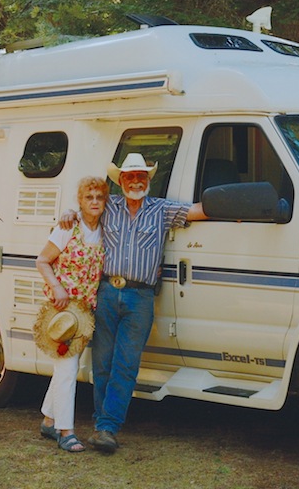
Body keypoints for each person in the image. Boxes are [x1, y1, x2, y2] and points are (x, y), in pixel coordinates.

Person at [59, 152, 207, 454]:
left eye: (141, 176)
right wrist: (68, 212)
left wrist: (234, 205)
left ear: (148, 180)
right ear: (120, 181)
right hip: (106, 292)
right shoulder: (108, 206)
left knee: (125, 366)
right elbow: (86, 208)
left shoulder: (161, 210)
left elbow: (197, 211)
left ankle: (107, 428)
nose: (136, 181)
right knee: (101, 364)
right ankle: (102, 422)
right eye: (129, 176)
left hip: (139, 298)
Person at [34, 176, 108, 453]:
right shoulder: (68, 227)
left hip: (85, 313)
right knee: (67, 368)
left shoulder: (103, 230)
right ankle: (66, 431)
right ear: (80, 201)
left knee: (65, 368)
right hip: (63, 311)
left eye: (99, 197)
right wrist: (57, 288)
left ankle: (49, 419)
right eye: (89, 197)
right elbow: (42, 260)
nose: (94, 202)